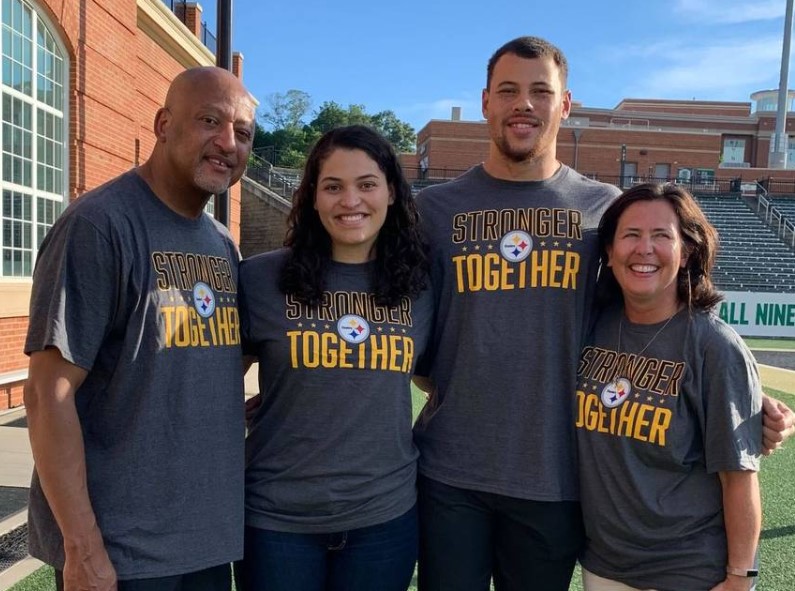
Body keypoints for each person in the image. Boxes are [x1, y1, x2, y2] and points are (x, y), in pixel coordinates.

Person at [411, 35, 794, 591]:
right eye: (509, 90)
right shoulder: (434, 209)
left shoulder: (604, 207)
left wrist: (739, 396)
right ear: (486, 102)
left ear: (564, 105)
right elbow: (404, 327)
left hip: (557, 476)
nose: (524, 103)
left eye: (541, 91)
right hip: (449, 470)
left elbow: (647, 314)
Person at [23, 66, 255, 591]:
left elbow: (194, 360)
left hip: (204, 540)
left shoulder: (222, 243)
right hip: (122, 551)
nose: (227, 142)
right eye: (209, 121)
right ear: (162, 124)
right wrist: (83, 549)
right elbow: (46, 394)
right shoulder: (98, 226)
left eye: (242, 133)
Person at [236, 125, 432, 591]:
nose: (351, 201)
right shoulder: (261, 278)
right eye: (333, 186)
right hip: (276, 519)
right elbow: (212, 382)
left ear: (390, 193)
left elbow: (435, 380)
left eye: (367, 184)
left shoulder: (420, 287)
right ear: (313, 197)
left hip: (383, 518)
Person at [576, 182, 761, 591]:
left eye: (662, 236)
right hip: (604, 565)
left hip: (687, 569)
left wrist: (740, 577)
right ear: (608, 251)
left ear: (688, 251)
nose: (644, 249)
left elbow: (739, 476)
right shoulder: (591, 326)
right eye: (630, 235)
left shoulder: (713, 345)